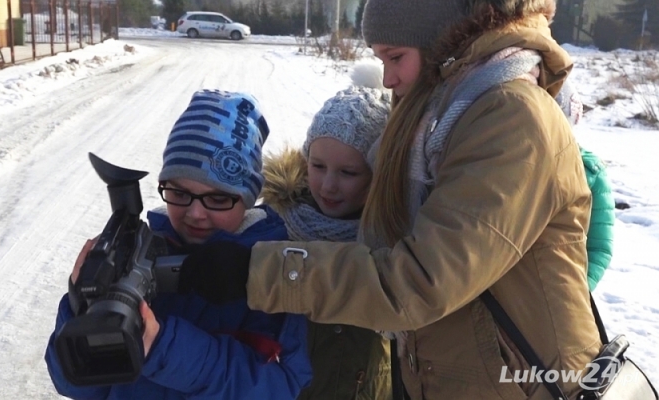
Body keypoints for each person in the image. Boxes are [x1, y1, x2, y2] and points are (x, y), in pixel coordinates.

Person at [177, 1, 603, 399]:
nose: (388, 79)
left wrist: (260, 273)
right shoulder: (448, 114)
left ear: (442, 41)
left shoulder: (509, 115)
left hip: (532, 381)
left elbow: (422, 281)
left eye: (395, 57)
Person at [44, 90, 312, 399]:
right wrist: (80, 311)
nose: (196, 213)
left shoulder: (272, 270)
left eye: (218, 198)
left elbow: (275, 388)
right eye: (180, 193)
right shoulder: (136, 257)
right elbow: (75, 386)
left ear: (247, 200)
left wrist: (161, 347)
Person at [261, 70, 392, 399]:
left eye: (348, 172)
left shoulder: (398, 240)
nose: (328, 185)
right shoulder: (274, 227)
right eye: (318, 166)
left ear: (378, 173)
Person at [556, 82, 615, 291]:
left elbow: (600, 247)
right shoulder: (509, 166)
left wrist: (580, 291)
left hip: (564, 293)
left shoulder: (591, 172)